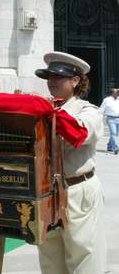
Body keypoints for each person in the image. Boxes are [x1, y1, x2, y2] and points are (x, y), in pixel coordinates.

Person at [35, 51, 105, 274]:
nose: (51, 82)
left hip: (77, 191)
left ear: (75, 81)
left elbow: (79, 132)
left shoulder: (88, 110)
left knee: (84, 260)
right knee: (50, 263)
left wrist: (44, 109)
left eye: (58, 77)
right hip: (47, 195)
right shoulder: (44, 108)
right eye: (49, 77)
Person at [99, 88, 119, 154]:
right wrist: (99, 116)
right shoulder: (107, 100)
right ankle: (116, 148)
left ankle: (110, 147)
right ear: (113, 93)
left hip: (118, 118)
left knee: (115, 134)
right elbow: (101, 109)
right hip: (111, 118)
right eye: (117, 92)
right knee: (113, 133)